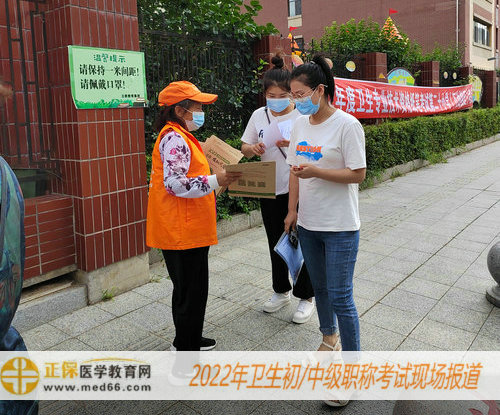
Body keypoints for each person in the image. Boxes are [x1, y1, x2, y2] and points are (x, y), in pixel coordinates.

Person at [285, 54, 366, 405]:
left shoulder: (347, 125)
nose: (296, 102)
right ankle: (328, 340)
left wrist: (317, 172)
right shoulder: (299, 125)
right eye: (292, 96)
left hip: (340, 227)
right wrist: (292, 210)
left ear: (320, 90)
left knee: (342, 297)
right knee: (320, 289)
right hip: (309, 224)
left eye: (300, 95)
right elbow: (293, 170)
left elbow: (358, 174)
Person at [146, 81, 241, 352]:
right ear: (180, 110)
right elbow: (175, 184)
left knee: (191, 289)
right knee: (190, 292)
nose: (200, 113)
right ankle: (185, 351)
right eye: (197, 108)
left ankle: (189, 337)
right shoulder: (175, 139)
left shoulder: (179, 135)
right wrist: (216, 179)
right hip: (182, 231)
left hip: (186, 228)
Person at [240, 55, 315, 324]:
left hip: (301, 188)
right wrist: (253, 148)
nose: (276, 100)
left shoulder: (302, 115)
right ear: (265, 95)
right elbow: (245, 148)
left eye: (283, 95)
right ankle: (280, 290)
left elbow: (316, 151)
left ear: (292, 94)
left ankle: (306, 296)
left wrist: (292, 144)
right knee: (276, 242)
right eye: (271, 96)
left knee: (304, 241)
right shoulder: (258, 116)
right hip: (270, 189)